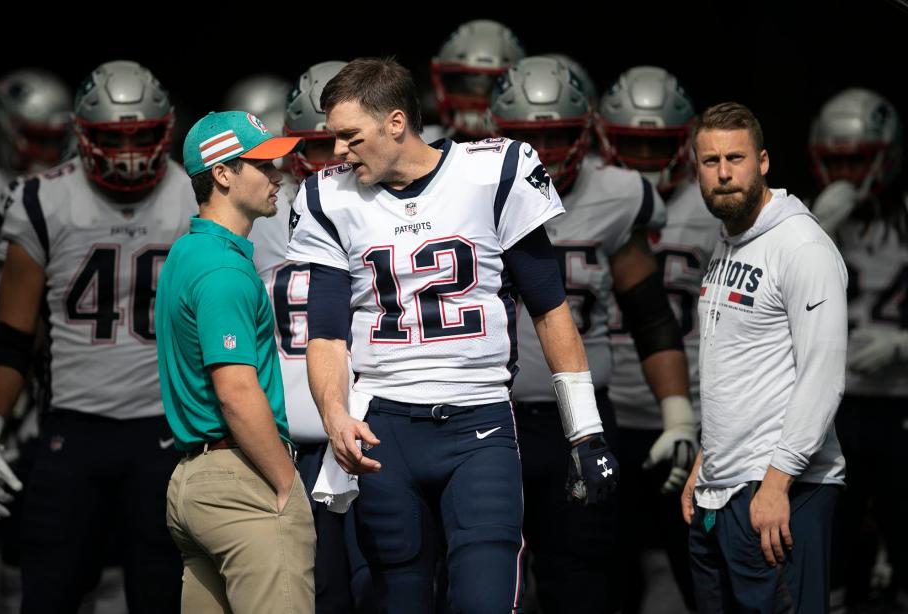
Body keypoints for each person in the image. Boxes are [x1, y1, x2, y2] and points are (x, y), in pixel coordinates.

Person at [287, 57, 619, 613]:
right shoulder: (328, 197)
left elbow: (549, 306)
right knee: (396, 599)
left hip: (479, 423)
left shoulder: (493, 171)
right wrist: (335, 415)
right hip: (382, 428)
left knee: (484, 599)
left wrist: (584, 429)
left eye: (350, 136)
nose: (337, 153)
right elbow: (326, 333)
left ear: (396, 123)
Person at [0, 60, 192, 614]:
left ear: (166, 129)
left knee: (160, 594)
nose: (131, 151)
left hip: (163, 432)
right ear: (84, 135)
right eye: (115, 138)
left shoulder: (194, 193)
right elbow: (13, 337)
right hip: (71, 430)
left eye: (143, 135)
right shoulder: (42, 199)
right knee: (50, 592)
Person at [489, 56, 692, 613]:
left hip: (581, 425)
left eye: (559, 133)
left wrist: (677, 412)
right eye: (530, 136)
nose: (546, 149)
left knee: (581, 575)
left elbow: (649, 312)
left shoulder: (618, 193)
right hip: (485, 421)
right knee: (481, 574)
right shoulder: (460, 180)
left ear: (588, 130)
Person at [683, 102, 848, 614]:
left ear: (764, 161)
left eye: (736, 157)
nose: (724, 173)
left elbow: (823, 376)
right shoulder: (731, 241)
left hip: (781, 491)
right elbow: (738, 367)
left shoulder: (801, 246)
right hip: (724, 487)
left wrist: (777, 484)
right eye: (710, 162)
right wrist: (705, 461)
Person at [158, 110, 315, 613]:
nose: (279, 176)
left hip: (193, 480)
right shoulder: (223, 267)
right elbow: (235, 391)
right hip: (241, 479)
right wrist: (287, 484)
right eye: (262, 165)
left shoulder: (187, 251)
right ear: (222, 174)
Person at [251, 59, 374, 613]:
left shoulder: (397, 202)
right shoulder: (260, 211)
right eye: (321, 145)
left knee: (386, 579)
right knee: (313, 589)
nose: (335, 160)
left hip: (375, 426)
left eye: (346, 140)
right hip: (292, 439)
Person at [599, 65, 716, 612]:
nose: (646, 161)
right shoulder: (587, 196)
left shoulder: (720, 203)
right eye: (632, 145)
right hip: (608, 415)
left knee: (703, 571)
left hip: (695, 414)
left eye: (659, 145)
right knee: (609, 572)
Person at [808, 88, 908, 608]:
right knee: (830, 546)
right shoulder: (804, 219)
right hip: (834, 407)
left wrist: (901, 346)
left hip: (900, 402)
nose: (845, 173)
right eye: (837, 160)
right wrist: (813, 229)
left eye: (858, 159)